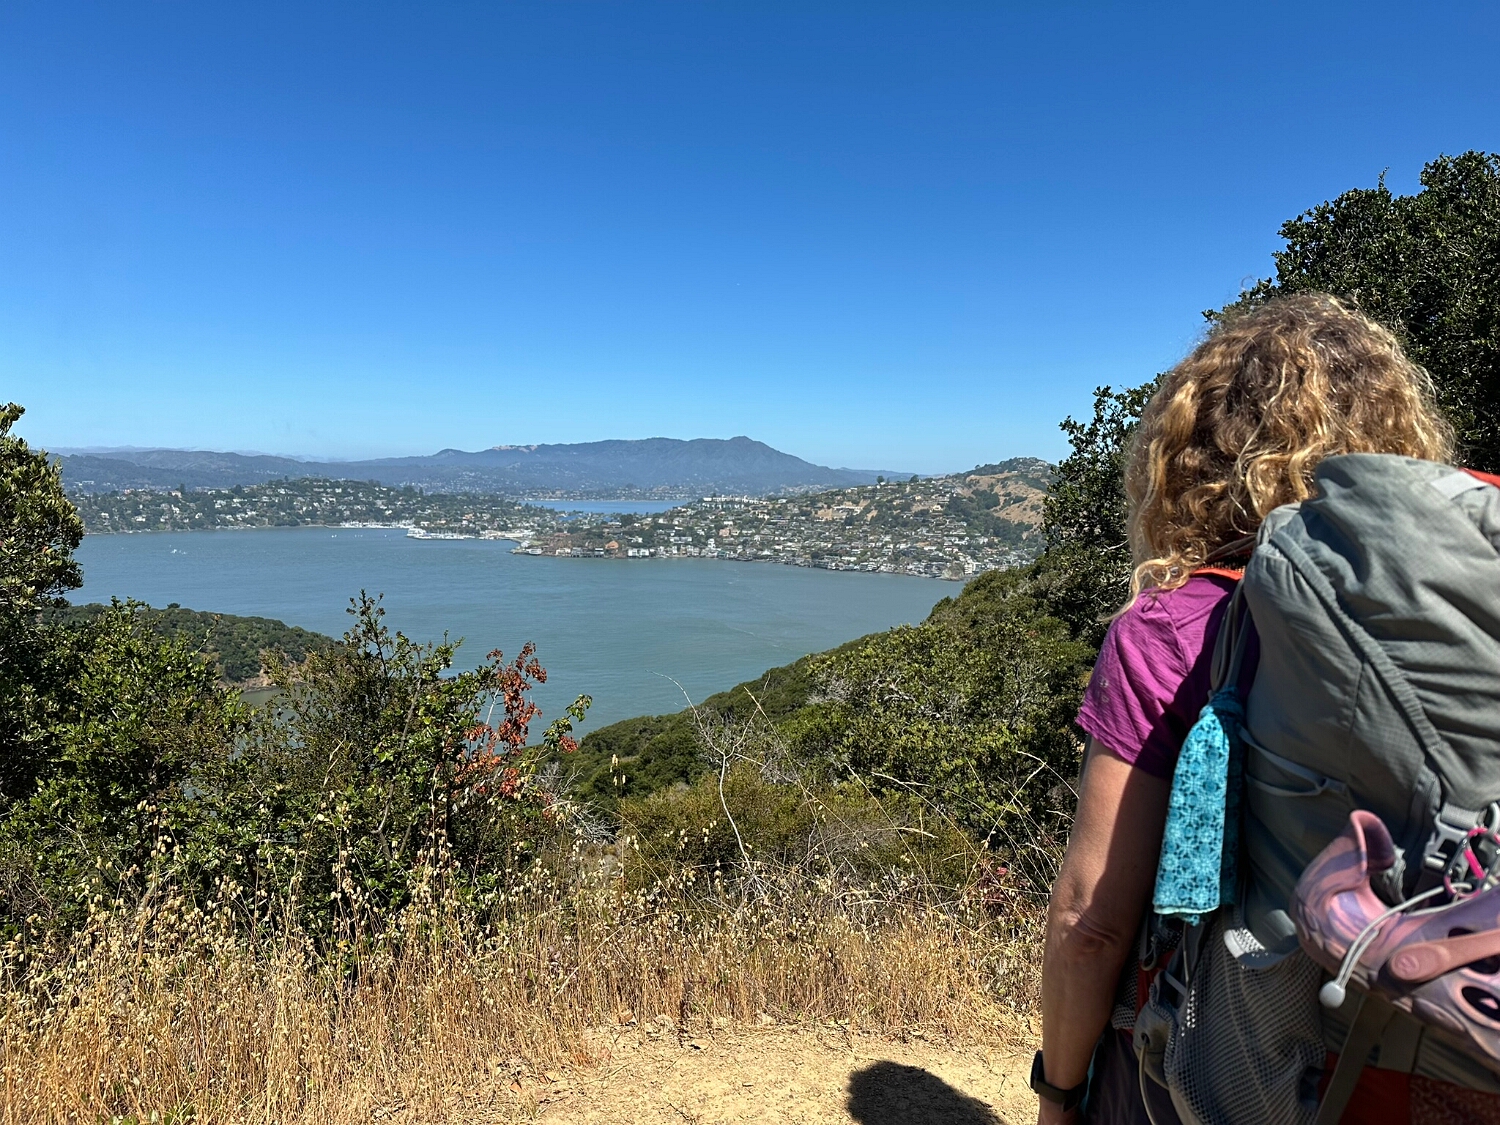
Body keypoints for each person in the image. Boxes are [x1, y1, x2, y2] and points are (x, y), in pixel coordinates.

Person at [1034, 293, 1475, 1124]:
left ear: (1190, 455)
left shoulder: (1172, 628)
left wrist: (1058, 1092)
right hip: (1421, 1057)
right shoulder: (1455, 625)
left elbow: (1090, 923)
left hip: (1213, 1068)